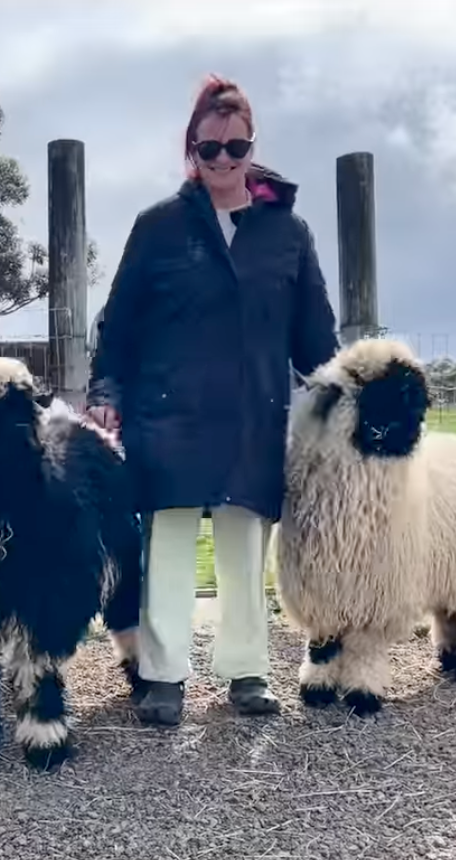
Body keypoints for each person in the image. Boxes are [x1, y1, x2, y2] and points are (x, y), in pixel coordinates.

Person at [86, 74, 339, 727]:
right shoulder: (157, 228)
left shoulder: (289, 233)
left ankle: (248, 670)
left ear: (253, 147)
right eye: (210, 148)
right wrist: (106, 391)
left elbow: (315, 339)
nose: (223, 159)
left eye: (236, 146)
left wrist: (342, 395)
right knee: (168, 542)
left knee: (245, 545)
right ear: (191, 149)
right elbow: (119, 326)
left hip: (254, 416)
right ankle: (163, 674)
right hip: (168, 413)